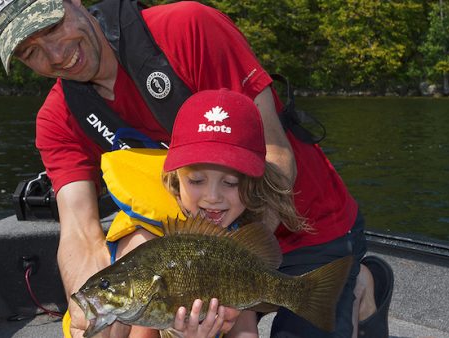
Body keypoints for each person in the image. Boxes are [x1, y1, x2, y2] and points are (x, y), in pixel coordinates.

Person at [0, 0, 392, 337]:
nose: (57, 54)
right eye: (31, 51)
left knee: (310, 311)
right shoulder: (57, 119)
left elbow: (277, 155)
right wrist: (88, 318)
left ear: (73, 1)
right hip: (196, 262)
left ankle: (360, 287)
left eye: (52, 26)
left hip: (310, 228)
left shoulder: (189, 30)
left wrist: (235, 259)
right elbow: (79, 231)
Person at [99, 88, 308, 338]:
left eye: (230, 183)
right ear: (174, 175)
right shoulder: (146, 246)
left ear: (253, 183)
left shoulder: (234, 246)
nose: (212, 197)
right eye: (196, 181)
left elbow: (246, 333)